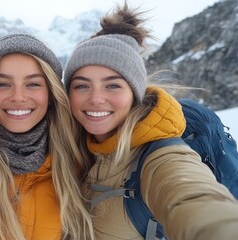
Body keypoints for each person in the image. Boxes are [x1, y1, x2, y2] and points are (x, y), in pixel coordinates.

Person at [63, 3, 238, 240]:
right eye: (82, 85)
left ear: (135, 93)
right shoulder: (70, 145)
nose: (95, 99)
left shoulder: (161, 155)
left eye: (113, 85)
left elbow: (193, 198)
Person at [0, 33, 94, 240]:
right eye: (2, 84)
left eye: (33, 84)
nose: (18, 97)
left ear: (50, 94)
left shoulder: (81, 154)